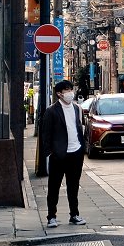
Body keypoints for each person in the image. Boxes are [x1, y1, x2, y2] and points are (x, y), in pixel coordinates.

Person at [39, 79, 86, 228]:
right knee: (54, 186)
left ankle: (74, 215)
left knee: (73, 186)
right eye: (66, 90)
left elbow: (80, 127)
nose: (70, 93)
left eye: (71, 89)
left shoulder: (77, 108)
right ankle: (51, 216)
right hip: (59, 155)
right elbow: (45, 134)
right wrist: (51, 152)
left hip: (76, 153)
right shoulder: (52, 111)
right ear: (59, 94)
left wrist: (81, 147)